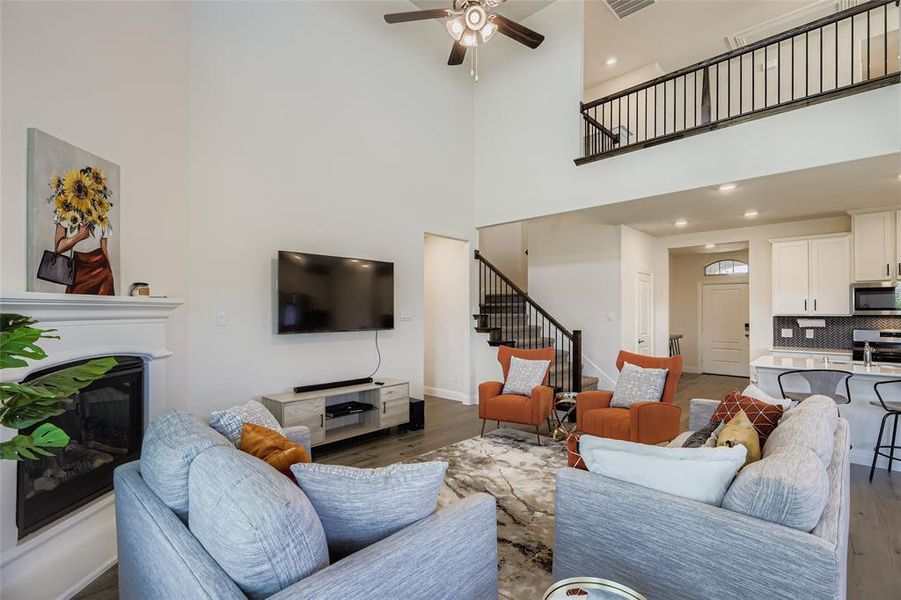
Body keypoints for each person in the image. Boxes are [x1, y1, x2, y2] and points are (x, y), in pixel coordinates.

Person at [54, 219, 114, 295]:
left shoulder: (100, 213)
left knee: (103, 305)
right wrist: (79, 236)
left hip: (102, 271)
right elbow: (58, 248)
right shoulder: (66, 212)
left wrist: (110, 275)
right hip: (79, 270)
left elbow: (104, 250)